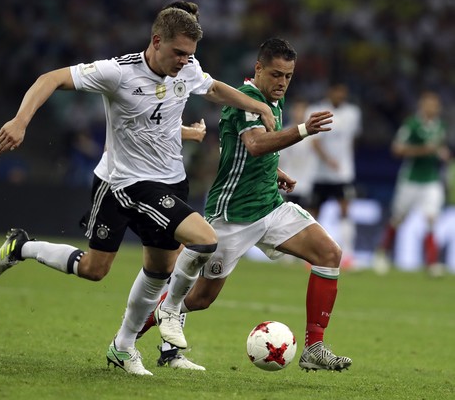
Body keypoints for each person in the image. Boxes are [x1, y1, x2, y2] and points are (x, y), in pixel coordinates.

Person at [0, 5, 276, 376]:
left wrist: (256, 105)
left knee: (134, 270)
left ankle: (116, 340)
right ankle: (168, 315)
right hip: (124, 183)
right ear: (156, 41)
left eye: (190, 54)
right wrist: (20, 120)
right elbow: (49, 78)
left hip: (170, 182)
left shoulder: (187, 68)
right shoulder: (116, 72)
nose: (184, 61)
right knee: (204, 240)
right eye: (178, 53)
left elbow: (214, 88)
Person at [150, 38, 352, 372]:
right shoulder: (247, 100)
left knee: (329, 253)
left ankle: (314, 347)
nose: (282, 82)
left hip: (270, 207)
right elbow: (255, 144)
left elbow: (246, 151)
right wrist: (302, 130)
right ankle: (132, 335)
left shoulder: (273, 96)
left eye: (288, 76)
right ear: (258, 68)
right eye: (276, 74)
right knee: (200, 299)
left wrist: (275, 172)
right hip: (232, 216)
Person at [372, 91, 450, 276]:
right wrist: (424, 150)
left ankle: (431, 264)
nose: (432, 107)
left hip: (431, 179)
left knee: (431, 219)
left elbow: (439, 147)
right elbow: (397, 149)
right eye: (428, 104)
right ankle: (382, 254)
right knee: (398, 218)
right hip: (410, 179)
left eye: (435, 104)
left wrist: (442, 152)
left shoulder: (440, 126)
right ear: (421, 106)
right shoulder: (412, 124)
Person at [305, 82, 362, 268]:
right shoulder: (316, 110)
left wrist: (344, 161)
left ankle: (348, 254)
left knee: (345, 211)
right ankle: (310, 254)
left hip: (343, 174)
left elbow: (352, 139)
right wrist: (328, 160)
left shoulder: (353, 113)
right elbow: (313, 142)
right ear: (331, 92)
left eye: (343, 92)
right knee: (314, 214)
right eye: (338, 91)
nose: (341, 95)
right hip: (320, 173)